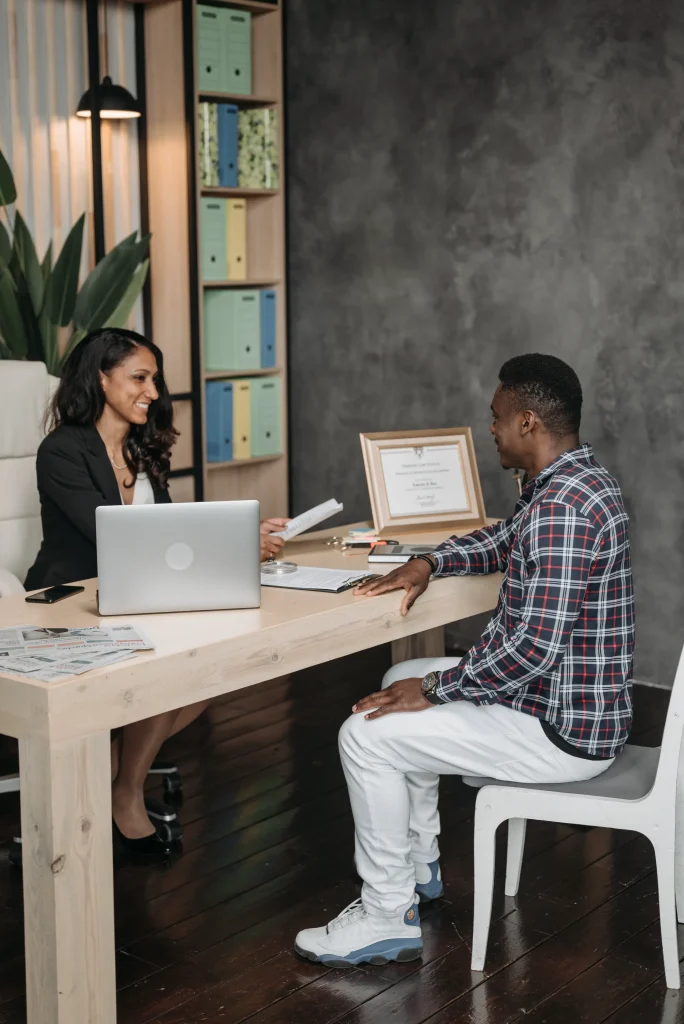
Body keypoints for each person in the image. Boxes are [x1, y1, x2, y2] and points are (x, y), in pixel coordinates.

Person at [295, 353, 634, 967]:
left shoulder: (561, 508)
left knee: (363, 736)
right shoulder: (572, 482)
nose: (493, 430)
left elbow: (532, 650)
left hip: (561, 731)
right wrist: (431, 560)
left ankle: (383, 913)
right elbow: (506, 540)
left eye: (499, 418)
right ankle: (419, 865)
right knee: (400, 677)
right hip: (570, 706)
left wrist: (440, 688)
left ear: (529, 422)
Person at [26, 327, 289, 861]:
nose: (152, 390)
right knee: (168, 663)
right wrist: (227, 542)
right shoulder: (61, 450)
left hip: (140, 591)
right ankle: (125, 793)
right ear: (100, 378)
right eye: (139, 378)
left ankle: (117, 771)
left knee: (213, 665)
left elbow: (169, 542)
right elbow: (111, 535)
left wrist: (238, 540)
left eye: (155, 379)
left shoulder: (142, 445)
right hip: (75, 596)